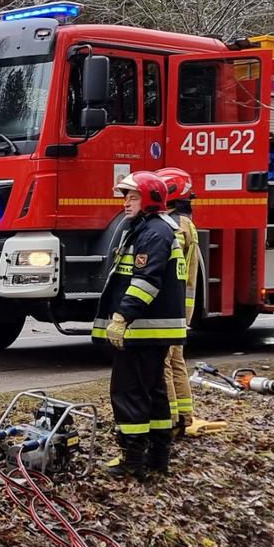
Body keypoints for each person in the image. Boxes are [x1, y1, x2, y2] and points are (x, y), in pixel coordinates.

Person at [93, 171, 187, 479]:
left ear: (149, 199)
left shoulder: (154, 233)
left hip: (143, 329)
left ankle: (131, 461)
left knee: (129, 392)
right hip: (153, 329)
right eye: (125, 197)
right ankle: (158, 458)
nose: (126, 203)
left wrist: (122, 317)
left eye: (133, 197)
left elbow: (146, 281)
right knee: (154, 392)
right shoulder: (149, 229)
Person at [156, 167, 224, 439]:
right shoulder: (185, 222)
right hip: (181, 306)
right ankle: (183, 415)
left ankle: (171, 420)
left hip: (172, 307)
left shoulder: (176, 226)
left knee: (164, 362)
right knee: (176, 361)